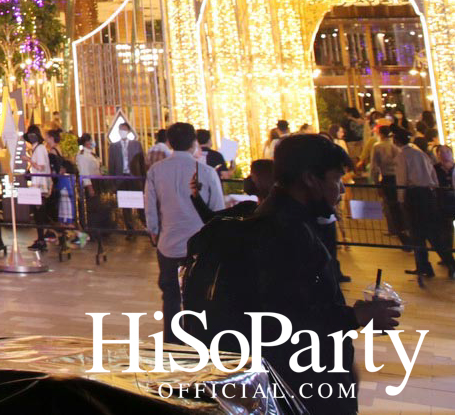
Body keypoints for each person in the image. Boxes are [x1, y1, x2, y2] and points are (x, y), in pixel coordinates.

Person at [248, 134, 401, 415]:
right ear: (310, 178)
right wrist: (357, 316)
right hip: (306, 383)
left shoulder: (285, 217)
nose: (341, 189)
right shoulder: (285, 230)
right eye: (336, 179)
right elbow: (287, 318)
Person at [143, 121, 222, 319]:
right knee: (199, 297)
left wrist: (153, 231)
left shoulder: (156, 171)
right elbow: (218, 211)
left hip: (169, 244)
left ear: (169, 143)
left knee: (170, 297)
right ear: (194, 143)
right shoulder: (207, 172)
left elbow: (150, 207)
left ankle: (172, 342)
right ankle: (196, 340)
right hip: (201, 247)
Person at [394, 124, 454, 279]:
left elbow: (402, 179)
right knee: (433, 233)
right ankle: (447, 262)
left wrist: (401, 199)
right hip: (428, 193)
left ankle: (425, 266)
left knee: (417, 233)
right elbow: (432, 173)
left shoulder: (402, 156)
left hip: (414, 196)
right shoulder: (420, 153)